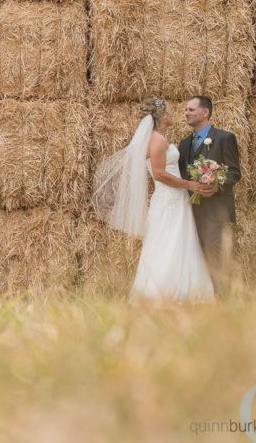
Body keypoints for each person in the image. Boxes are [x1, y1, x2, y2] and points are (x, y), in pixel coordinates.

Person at [92, 97, 215, 303]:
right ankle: (163, 291)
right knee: (168, 242)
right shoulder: (158, 139)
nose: (174, 113)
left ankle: (179, 288)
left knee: (177, 241)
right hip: (170, 198)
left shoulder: (157, 138)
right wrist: (190, 185)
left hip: (174, 198)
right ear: (161, 116)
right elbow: (158, 174)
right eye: (169, 110)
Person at [177, 96, 242, 296]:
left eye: (191, 109)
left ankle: (224, 302)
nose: (186, 113)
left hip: (215, 212)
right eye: (186, 110)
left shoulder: (224, 138)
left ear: (205, 112)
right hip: (190, 213)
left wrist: (216, 185)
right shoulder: (184, 143)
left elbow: (234, 173)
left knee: (216, 259)